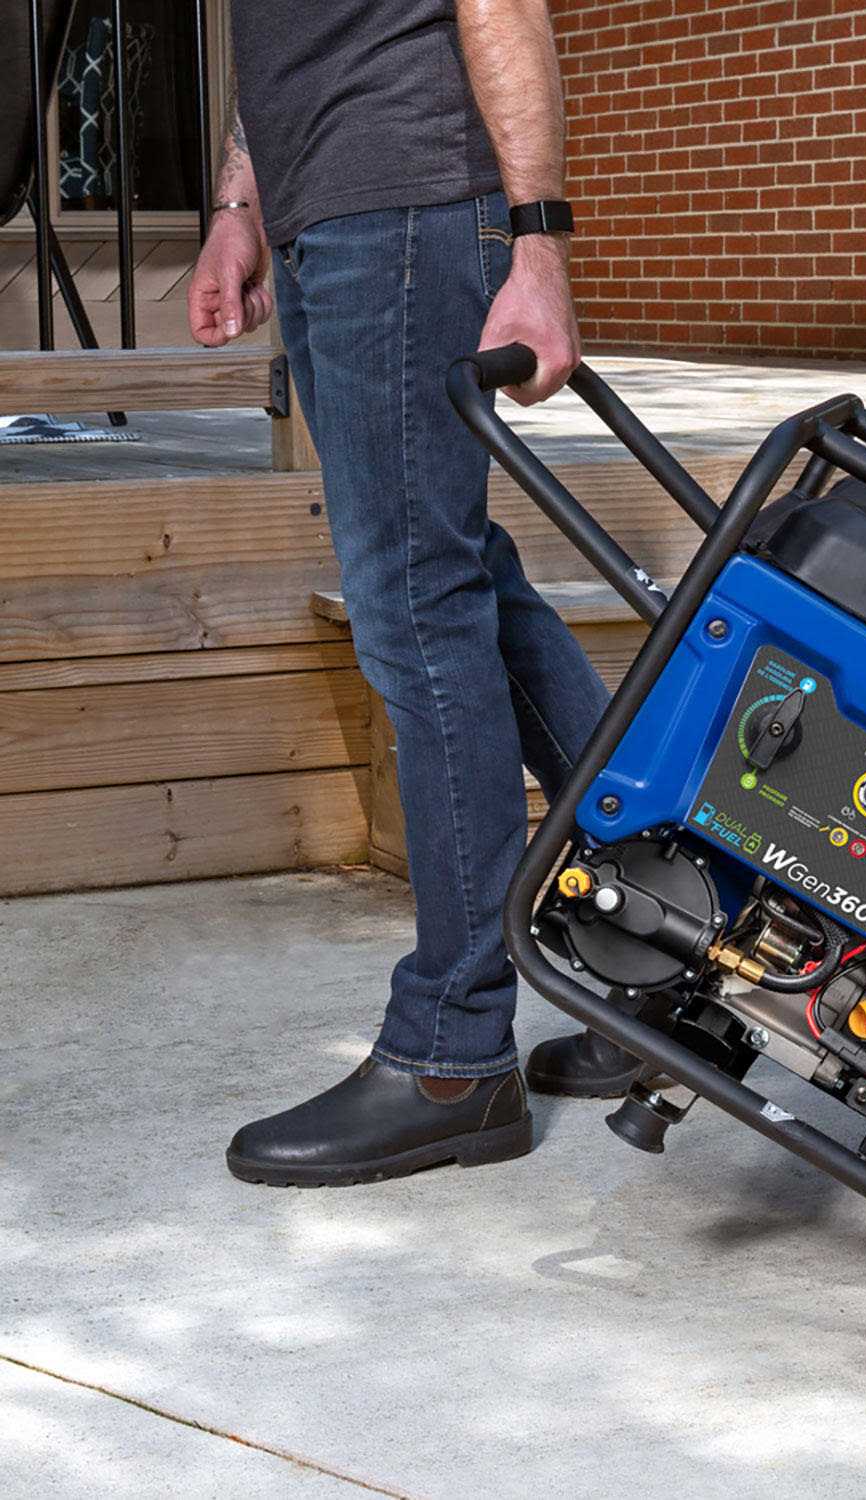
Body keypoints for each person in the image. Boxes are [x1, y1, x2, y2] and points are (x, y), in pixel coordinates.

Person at [191, 0, 641, 1188]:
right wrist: (242, 209)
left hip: (405, 207)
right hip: (331, 217)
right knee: (455, 572)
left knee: (416, 606)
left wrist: (539, 246)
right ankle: (665, 959)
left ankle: (454, 1051)